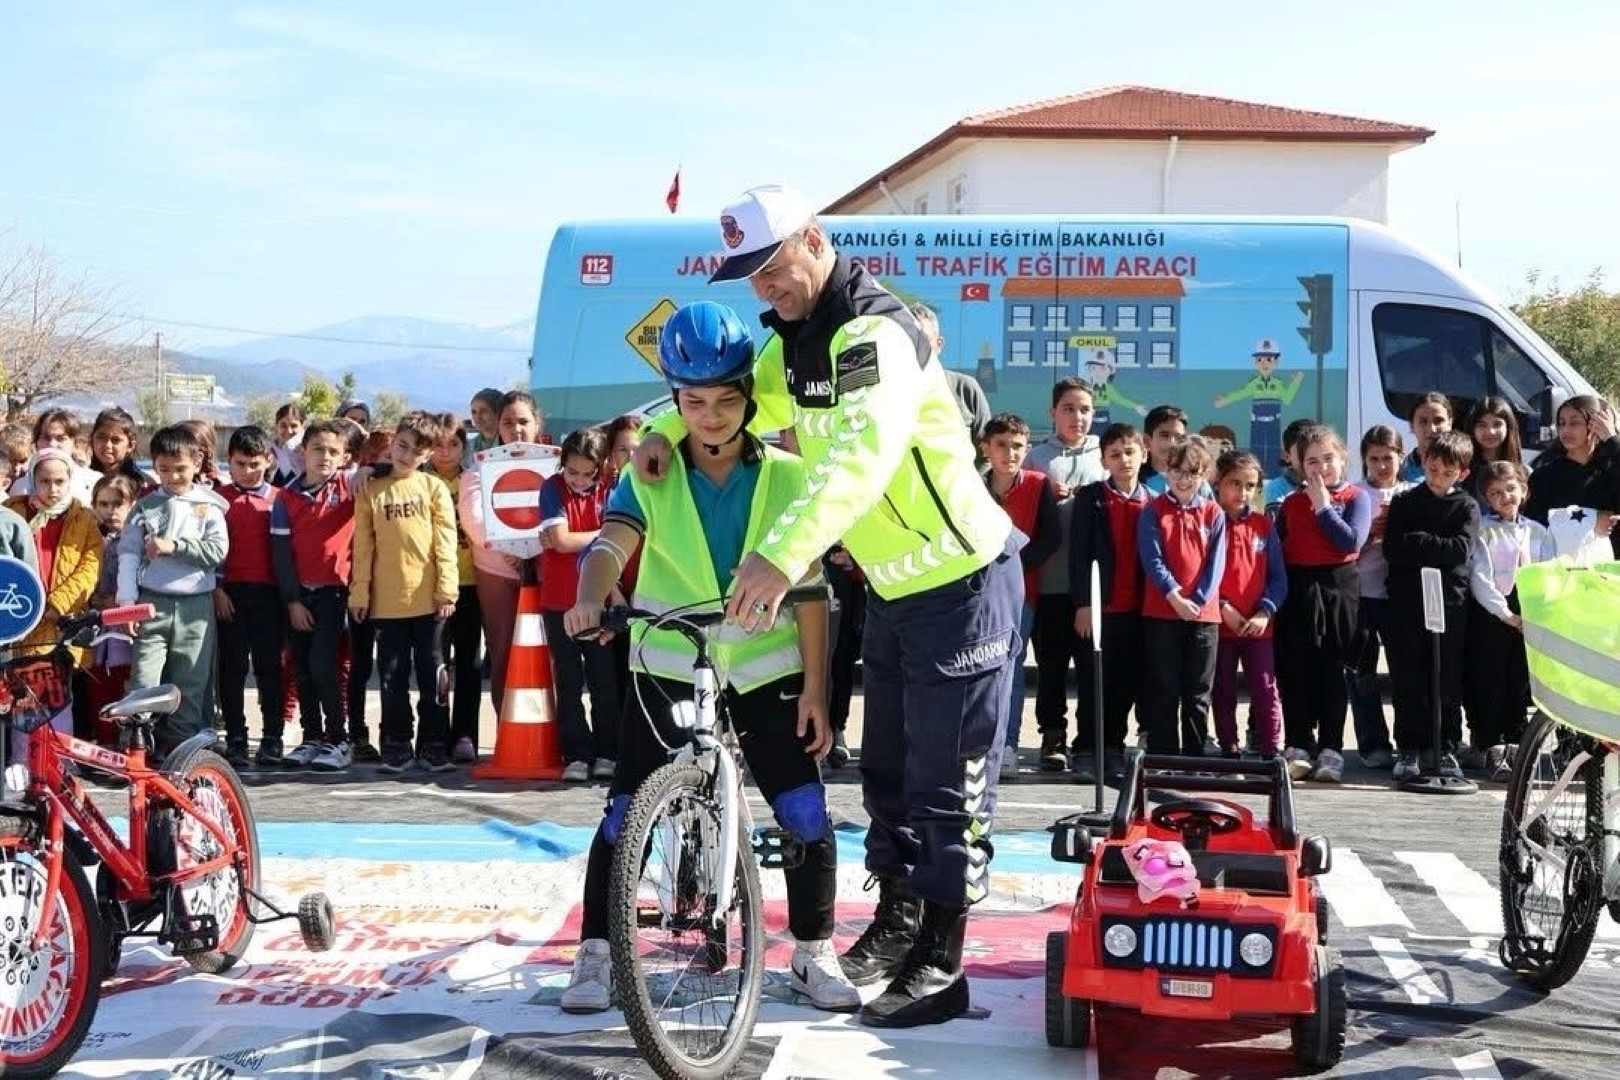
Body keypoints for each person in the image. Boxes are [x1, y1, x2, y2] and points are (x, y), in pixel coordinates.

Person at [632, 185, 1022, 1028]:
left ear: (814, 239)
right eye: (750, 277)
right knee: (884, 779)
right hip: (891, 588)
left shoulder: (872, 335)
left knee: (945, 787)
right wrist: (662, 434)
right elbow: (727, 400)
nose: (764, 288)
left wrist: (780, 554)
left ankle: (945, 963)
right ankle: (897, 923)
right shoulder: (793, 344)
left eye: (772, 266)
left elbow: (860, 459)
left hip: (963, 585)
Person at [560, 300, 858, 1015]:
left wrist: (816, 689)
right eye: (693, 402)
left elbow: (813, 592)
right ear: (674, 400)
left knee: (805, 811)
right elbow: (610, 544)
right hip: (667, 658)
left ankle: (814, 953)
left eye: (727, 400)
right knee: (626, 810)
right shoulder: (651, 470)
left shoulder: (788, 475)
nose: (712, 415)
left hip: (767, 665)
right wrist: (590, 597)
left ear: (749, 398)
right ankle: (596, 952)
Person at [351, 411, 459, 774]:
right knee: (392, 677)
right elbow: (363, 547)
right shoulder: (370, 489)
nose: (406, 454)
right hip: (387, 603)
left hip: (430, 602)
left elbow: (445, 543)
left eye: (416, 450)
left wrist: (447, 589)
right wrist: (359, 594)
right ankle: (396, 744)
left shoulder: (434, 489)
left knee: (434, 677)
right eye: (401, 445)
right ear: (393, 442)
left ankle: (434, 743)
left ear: (427, 455)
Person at [116, 426, 229, 752]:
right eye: (164, 469)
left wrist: (173, 546)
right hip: (152, 603)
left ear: (197, 461)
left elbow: (216, 552)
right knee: (144, 677)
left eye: (180, 468)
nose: (172, 476)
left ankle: (181, 745)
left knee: (191, 681)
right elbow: (128, 554)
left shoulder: (210, 506)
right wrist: (127, 602)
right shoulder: (144, 507)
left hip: (196, 606)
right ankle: (137, 745)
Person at [1274, 426, 1370, 783]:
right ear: (1300, 465)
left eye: (1328, 458)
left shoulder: (1355, 497)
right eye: (1312, 461)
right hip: (1300, 589)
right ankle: (1298, 741)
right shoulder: (1290, 503)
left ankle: (1331, 747)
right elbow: (1281, 547)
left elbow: (1349, 542)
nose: (1321, 468)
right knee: (1297, 668)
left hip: (1339, 586)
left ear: (1342, 458)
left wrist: (1324, 507)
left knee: (1333, 669)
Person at [1384, 430, 1480, 781]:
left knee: (1446, 675)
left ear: (1462, 473)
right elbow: (1394, 548)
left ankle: (1446, 746)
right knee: (1408, 674)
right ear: (1424, 462)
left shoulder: (1466, 506)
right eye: (1434, 468)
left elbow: (1460, 551)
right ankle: (1409, 747)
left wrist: (1419, 542)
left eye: (1448, 472)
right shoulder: (1405, 502)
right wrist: (1430, 546)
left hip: (1449, 602)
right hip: (1407, 601)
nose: (1438, 477)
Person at [1024, 378, 1104, 773]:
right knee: (1051, 667)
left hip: (1092, 589)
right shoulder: (1035, 459)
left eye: (1085, 409)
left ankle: (1090, 741)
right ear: (1052, 413)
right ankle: (1052, 734)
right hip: (1049, 583)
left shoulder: (1104, 457)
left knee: (1092, 668)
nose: (1078, 417)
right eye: (1069, 409)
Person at [271, 419, 359, 768]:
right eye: (318, 449)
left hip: (334, 594)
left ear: (344, 457)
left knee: (325, 665)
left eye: (333, 451)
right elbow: (280, 553)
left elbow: (384, 468)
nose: (325, 456)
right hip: (298, 597)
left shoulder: (349, 486)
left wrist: (365, 471)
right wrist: (292, 600)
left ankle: (338, 739)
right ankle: (311, 737)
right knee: (302, 667)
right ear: (302, 453)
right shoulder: (286, 497)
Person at [979, 413, 1061, 779]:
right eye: (1001, 445)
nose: (1009, 454)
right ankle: (977, 745)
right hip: (975, 596)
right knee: (976, 670)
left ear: (1027, 449)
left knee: (1009, 669)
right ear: (986, 448)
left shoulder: (1040, 485)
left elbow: (1050, 539)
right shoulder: (971, 487)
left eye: (1016, 446)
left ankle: (1006, 744)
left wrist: (1010, 562)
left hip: (1020, 595)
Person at [1135, 435, 1226, 756]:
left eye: (1192, 473)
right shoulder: (1153, 510)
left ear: (1203, 476)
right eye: (1177, 471)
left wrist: (1198, 602)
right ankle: (1163, 754)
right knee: (1164, 688)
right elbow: (1152, 558)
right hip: (1162, 613)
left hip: (1204, 617)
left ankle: (1195, 754)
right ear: (1166, 473)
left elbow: (1216, 564)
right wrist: (1174, 596)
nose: (1183, 479)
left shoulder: (1214, 513)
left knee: (1198, 691)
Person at [1069, 422, 1149, 782]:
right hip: (1099, 609)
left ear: (1143, 454)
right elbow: (1078, 553)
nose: (1123, 460)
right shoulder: (1092, 497)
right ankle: (1086, 748)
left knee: (1127, 683)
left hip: (1138, 610)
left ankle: (1114, 747)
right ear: (1104, 460)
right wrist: (1084, 603)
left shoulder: (1153, 501)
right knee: (1093, 681)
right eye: (1115, 454)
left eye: (1129, 452)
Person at [540, 426, 620, 782]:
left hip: (601, 599)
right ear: (562, 464)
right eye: (572, 472)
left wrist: (579, 540)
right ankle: (575, 752)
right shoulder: (551, 489)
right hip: (559, 600)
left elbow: (611, 545)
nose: (580, 480)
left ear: (601, 468)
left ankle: (609, 751)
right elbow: (559, 540)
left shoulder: (612, 491)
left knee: (604, 680)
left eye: (589, 473)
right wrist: (603, 534)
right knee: (569, 680)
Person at [459, 391, 545, 716]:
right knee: (504, 650)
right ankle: (509, 732)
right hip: (496, 572)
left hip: (547, 571)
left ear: (536, 423)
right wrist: (512, 549)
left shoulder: (558, 464)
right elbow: (474, 515)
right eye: (508, 422)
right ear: (499, 427)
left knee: (548, 654)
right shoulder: (480, 468)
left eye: (523, 421)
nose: (516, 429)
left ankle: (552, 735)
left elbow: (564, 513)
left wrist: (534, 552)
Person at [1467, 460, 1554, 781]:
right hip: (1495, 613)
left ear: (1524, 490)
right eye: (1495, 493)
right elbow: (1480, 576)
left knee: (1519, 681)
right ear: (1487, 499)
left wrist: (1535, 613)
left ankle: (1518, 747)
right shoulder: (1484, 531)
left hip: (1528, 613)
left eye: (1511, 489)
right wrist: (1505, 614)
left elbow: (1548, 572)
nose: (1505, 497)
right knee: (1491, 679)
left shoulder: (1538, 532)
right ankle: (1492, 744)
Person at [5, 451, 94, 748]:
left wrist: (56, 605)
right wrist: (26, 608)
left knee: (56, 699)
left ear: (70, 481)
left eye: (59, 481)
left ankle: (59, 765)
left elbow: (88, 567)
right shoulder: (14, 513)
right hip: (20, 623)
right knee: (23, 699)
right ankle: (22, 764)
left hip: (57, 623)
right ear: (32, 479)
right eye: (44, 481)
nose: (52, 489)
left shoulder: (83, 519)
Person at [215, 426, 287, 768]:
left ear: (269, 461)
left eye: (255, 464)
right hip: (229, 596)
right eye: (240, 464)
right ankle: (236, 738)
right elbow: (210, 552)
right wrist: (217, 590)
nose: (247, 471)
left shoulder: (280, 499)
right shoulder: (217, 500)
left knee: (269, 669)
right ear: (229, 461)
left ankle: (272, 737)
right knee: (231, 671)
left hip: (270, 597)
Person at [1211, 450, 1286, 759]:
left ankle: (1272, 750)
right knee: (1223, 690)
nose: (1242, 492)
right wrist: (1222, 607)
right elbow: (1198, 575)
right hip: (1220, 624)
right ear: (1219, 483)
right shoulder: (1208, 522)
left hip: (1259, 627)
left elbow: (1278, 577)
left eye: (1250, 485)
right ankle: (1229, 746)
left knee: (1265, 688)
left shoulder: (1264, 527)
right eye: (1235, 483)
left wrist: (1265, 611)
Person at [1347, 425, 1410, 770]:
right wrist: (1369, 534)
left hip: (1400, 597)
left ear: (1401, 457)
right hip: (1361, 595)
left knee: (1403, 672)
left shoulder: (1412, 492)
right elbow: (1342, 551)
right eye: (1374, 459)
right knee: (1361, 673)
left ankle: (1408, 742)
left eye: (1388, 457)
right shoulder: (1354, 494)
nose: (1382, 465)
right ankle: (1373, 743)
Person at [428, 415, 483, 764]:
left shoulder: (474, 480)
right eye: (438, 444)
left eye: (454, 444)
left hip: (473, 582)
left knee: (469, 663)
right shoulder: (419, 481)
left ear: (465, 446)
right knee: (436, 664)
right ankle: (433, 734)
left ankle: (465, 734)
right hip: (432, 587)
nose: (446, 451)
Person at [85, 474, 131, 747]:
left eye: (117, 504)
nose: (110, 511)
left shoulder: (135, 538)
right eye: (103, 504)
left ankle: (127, 746)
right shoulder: (89, 536)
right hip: (96, 626)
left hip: (125, 627)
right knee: (98, 686)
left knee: (124, 685)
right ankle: (105, 743)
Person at [1213, 337, 1305, 473]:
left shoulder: (1278, 384)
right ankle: (1257, 477)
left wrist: (1295, 383)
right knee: (1257, 449)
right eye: (1260, 360)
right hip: (1257, 421)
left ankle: (1273, 474)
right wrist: (1224, 400)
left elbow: (1287, 398)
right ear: (1255, 363)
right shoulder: (1254, 383)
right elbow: (1241, 393)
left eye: (1269, 359)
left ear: (1276, 362)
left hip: (1274, 421)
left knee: (1273, 449)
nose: (1264, 364)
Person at [909, 303, 991, 448]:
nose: (917, 347)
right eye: (910, 340)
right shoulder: (884, 391)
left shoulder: (965, 388)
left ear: (939, 344)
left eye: (924, 340)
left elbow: (988, 452)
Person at [88, 407, 156, 495]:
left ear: (130, 445)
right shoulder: (80, 478)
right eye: (101, 437)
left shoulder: (144, 484)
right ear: (92, 439)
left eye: (116, 440)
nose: (107, 445)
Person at [1399, 392, 1454, 483]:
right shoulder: (1401, 472)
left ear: (1450, 423)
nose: (1431, 429)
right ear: (1411, 426)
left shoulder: (1464, 468)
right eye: (1423, 421)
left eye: (1438, 421)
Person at [1138, 405, 1190, 496]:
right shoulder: (1133, 479)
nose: (1172, 443)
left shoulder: (1194, 479)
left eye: (1179, 437)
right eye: (1164, 435)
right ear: (1147, 440)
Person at [463, 387, 504, 466]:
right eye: (474, 412)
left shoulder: (509, 443)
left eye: (483, 411)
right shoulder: (468, 446)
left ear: (498, 413)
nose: (478, 417)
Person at [271, 402, 307, 486]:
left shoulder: (308, 448)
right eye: (283, 425)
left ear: (302, 426)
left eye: (294, 426)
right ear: (277, 426)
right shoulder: (271, 448)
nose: (289, 431)